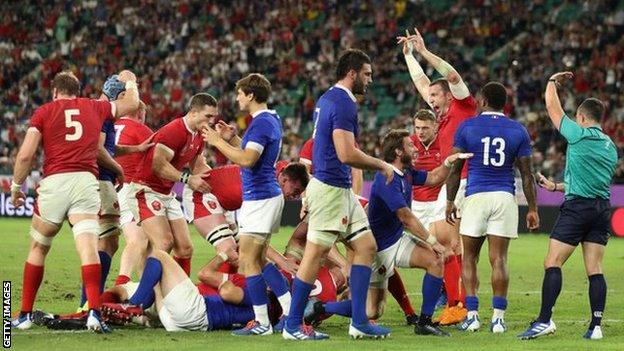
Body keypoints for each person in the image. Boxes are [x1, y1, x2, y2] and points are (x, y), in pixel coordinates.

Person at [305, 129, 471, 336]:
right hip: (378, 249)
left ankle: (424, 322)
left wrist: (449, 162)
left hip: (397, 239)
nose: (415, 147)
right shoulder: (386, 179)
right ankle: (320, 308)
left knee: (435, 260)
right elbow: (406, 217)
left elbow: (434, 177)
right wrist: (432, 240)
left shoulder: (407, 173)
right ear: (399, 152)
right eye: (410, 145)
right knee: (372, 311)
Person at [10, 70, 140, 333]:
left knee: (38, 248)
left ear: (55, 92)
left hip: (55, 181)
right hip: (84, 182)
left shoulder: (44, 111)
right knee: (88, 248)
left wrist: (16, 187)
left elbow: (25, 156)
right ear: (78, 92)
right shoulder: (94, 107)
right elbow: (131, 104)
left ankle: (24, 315)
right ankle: (93, 313)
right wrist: (131, 82)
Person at [283, 49, 395, 341]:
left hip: (340, 189)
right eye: (367, 74)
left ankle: (359, 321)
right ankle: (293, 325)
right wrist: (381, 163)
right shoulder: (344, 103)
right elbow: (345, 153)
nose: (370, 79)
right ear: (352, 73)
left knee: (366, 246)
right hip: (330, 189)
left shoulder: (327, 98)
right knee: (314, 253)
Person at [519, 72, 618, 340]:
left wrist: (551, 82)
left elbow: (553, 107)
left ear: (582, 118)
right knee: (595, 269)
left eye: (576, 119)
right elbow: (592, 181)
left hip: (578, 210)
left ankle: (544, 321)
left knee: (552, 262)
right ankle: (596, 327)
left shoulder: (580, 134)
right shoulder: (610, 146)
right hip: (601, 209)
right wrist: (556, 187)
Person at [445, 82, 540, 333]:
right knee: (499, 259)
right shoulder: (518, 130)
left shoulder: (467, 127)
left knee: (470, 258)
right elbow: (527, 175)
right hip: (504, 196)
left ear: (484, 101)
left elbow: (455, 169)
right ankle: (498, 319)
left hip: (476, 195)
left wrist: (449, 201)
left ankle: (473, 315)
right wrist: (532, 208)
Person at [398, 28, 478, 325]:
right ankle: (459, 303)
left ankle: (460, 305)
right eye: (429, 95)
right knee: (447, 241)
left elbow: (453, 76)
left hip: (470, 180)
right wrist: (408, 56)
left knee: (453, 243)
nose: (429, 98)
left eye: (434, 95)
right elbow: (421, 81)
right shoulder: (441, 116)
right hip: (453, 182)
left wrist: (424, 51)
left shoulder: (461, 105)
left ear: (446, 95)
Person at [203, 73, 292, 336]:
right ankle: (289, 312)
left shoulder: (261, 123)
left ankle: (262, 323)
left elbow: (248, 160)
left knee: (248, 260)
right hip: (266, 196)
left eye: (240, 93)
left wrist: (218, 142)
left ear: (251, 95)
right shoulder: (270, 119)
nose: (238, 97)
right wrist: (232, 140)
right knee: (261, 259)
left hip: (260, 198)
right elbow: (254, 154)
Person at [129, 93, 215, 276]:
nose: (212, 121)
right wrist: (187, 179)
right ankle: (146, 298)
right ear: (193, 112)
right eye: (208, 116)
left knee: (185, 249)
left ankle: (179, 293)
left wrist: (224, 180)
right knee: (164, 242)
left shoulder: (199, 135)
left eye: (214, 117)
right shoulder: (174, 130)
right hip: (146, 189)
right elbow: (158, 166)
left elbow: (199, 167)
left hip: (166, 194)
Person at [112, 99, 154, 286]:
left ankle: (146, 291)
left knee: (146, 243)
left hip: (111, 189)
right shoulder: (141, 130)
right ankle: (121, 286)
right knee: (138, 239)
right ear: (140, 113)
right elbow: (157, 160)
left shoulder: (111, 127)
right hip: (130, 189)